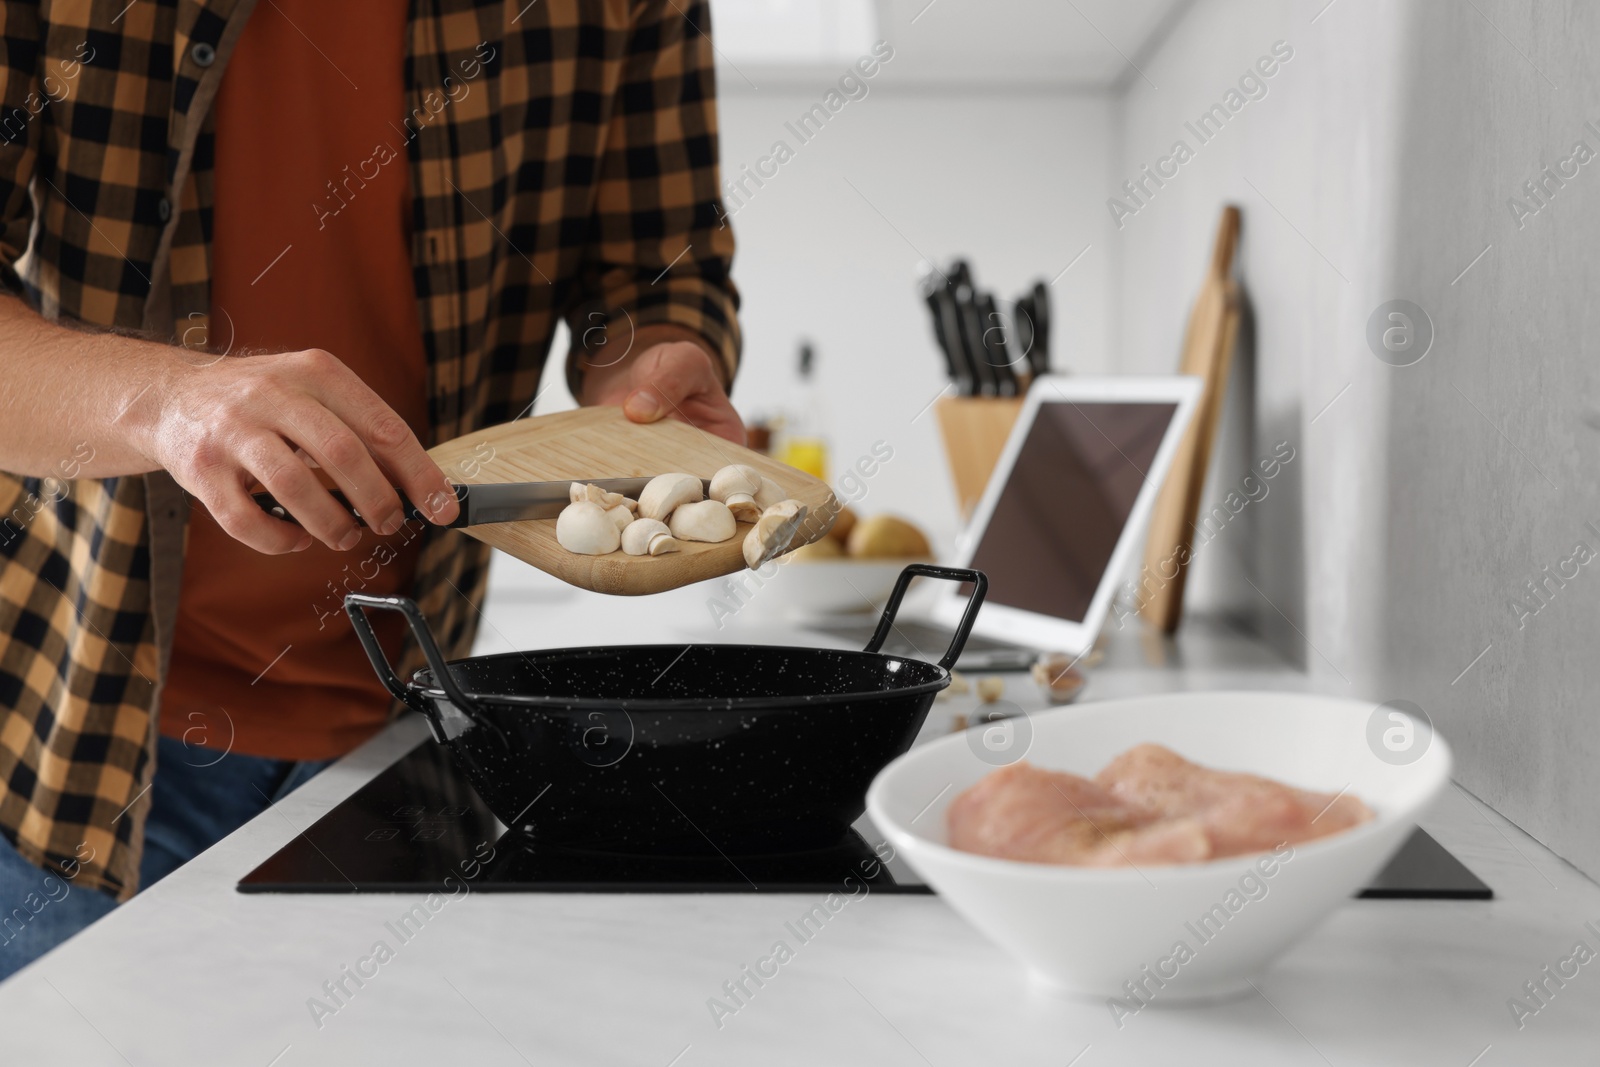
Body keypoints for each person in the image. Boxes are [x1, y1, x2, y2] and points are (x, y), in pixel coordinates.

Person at [0, 1, 740, 980]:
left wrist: (651, 366)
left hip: (403, 734)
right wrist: (168, 401)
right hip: (62, 745)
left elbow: (656, 270)